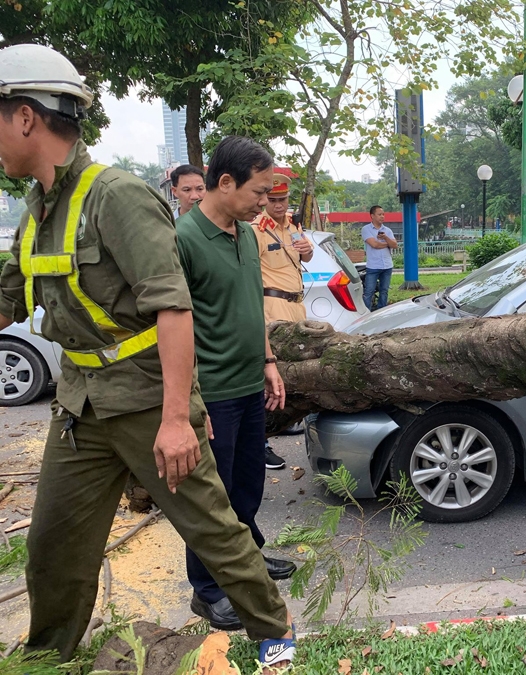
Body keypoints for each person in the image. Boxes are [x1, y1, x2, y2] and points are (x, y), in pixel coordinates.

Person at [0, 45, 294, 670]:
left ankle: (275, 635)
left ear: (25, 117)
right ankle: (46, 658)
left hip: (144, 399)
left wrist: (174, 418)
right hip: (80, 404)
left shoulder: (118, 197)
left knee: (212, 525)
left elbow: (174, 308)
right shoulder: (38, 210)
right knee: (53, 544)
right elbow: (6, 296)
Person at [176, 135, 298, 631]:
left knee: (247, 484)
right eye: (259, 192)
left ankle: (246, 561)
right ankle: (207, 590)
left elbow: (252, 307)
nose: (265, 202)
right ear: (224, 183)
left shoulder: (246, 235)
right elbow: (173, 325)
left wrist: (269, 360)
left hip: (249, 381)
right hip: (214, 393)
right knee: (212, 497)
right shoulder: (183, 240)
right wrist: (189, 404)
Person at [252, 173, 313, 470]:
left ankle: (280, 423)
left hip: (296, 305)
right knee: (268, 376)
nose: (278, 205)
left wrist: (309, 251)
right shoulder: (256, 229)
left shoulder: (294, 225)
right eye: (273, 200)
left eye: (283, 200)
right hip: (271, 306)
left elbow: (304, 259)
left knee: (287, 374)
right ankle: (259, 443)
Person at [362, 204, 397, 310]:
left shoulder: (387, 230)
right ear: (372, 216)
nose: (382, 216)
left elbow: (395, 245)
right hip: (373, 266)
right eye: (379, 214)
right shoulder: (366, 229)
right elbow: (374, 245)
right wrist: (388, 243)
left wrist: (385, 237)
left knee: (384, 290)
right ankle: (366, 314)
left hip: (387, 265)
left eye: (383, 214)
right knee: (369, 291)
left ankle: (381, 311)